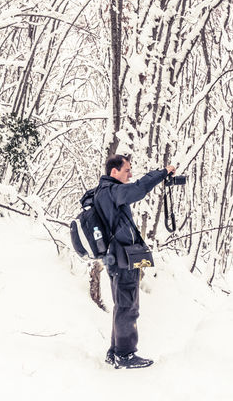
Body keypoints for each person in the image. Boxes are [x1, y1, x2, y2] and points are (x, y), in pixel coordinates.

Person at [93, 153, 176, 369]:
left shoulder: (105, 192)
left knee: (123, 305)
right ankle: (125, 354)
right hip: (121, 257)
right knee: (128, 306)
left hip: (117, 255)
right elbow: (139, 188)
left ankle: (115, 352)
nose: (130, 174)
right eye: (127, 170)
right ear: (114, 172)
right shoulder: (112, 191)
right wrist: (163, 172)